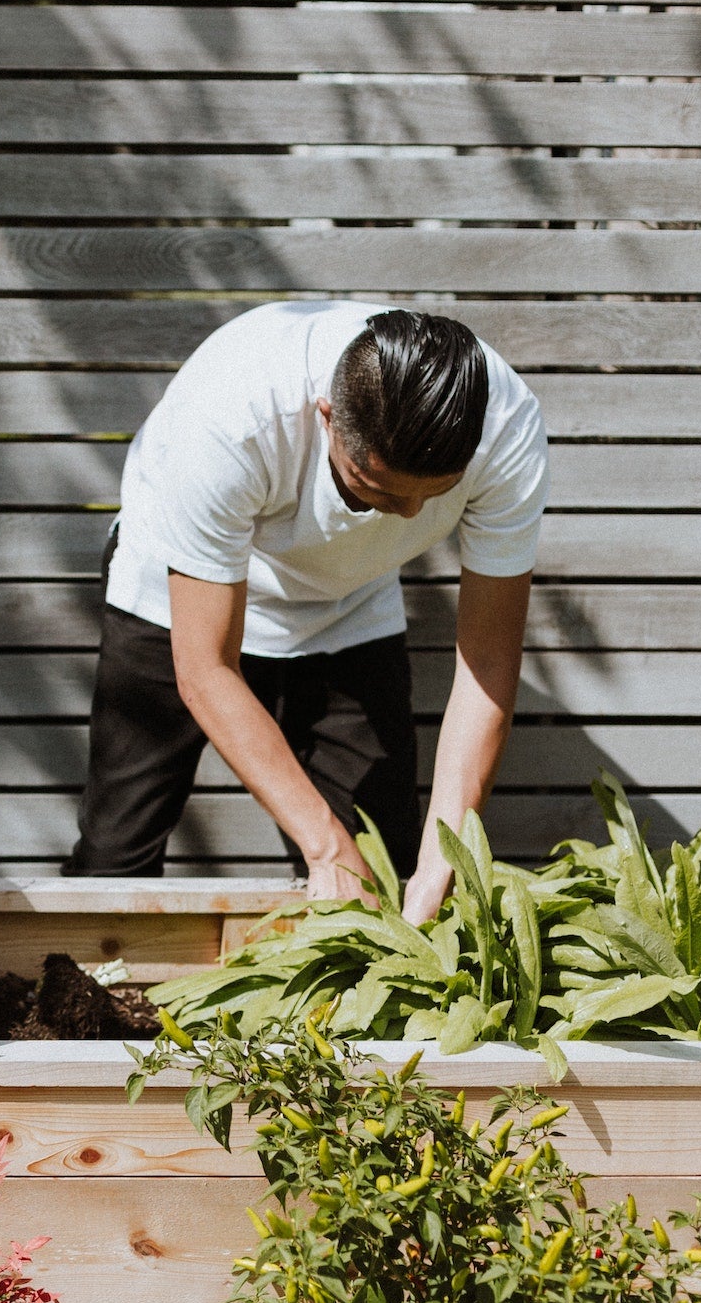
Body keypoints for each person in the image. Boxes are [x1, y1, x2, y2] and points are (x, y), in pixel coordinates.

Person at [65, 301, 548, 924]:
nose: (406, 518)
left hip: (348, 604)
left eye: (432, 498)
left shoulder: (506, 429)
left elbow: (485, 663)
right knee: (115, 860)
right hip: (173, 597)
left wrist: (442, 860)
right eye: (373, 489)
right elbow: (206, 669)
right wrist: (323, 845)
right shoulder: (231, 415)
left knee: (380, 867)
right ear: (327, 418)